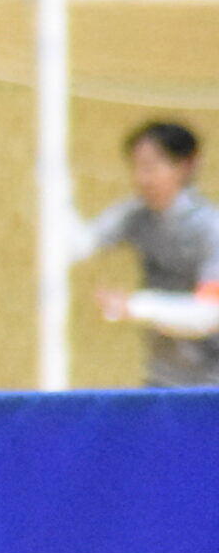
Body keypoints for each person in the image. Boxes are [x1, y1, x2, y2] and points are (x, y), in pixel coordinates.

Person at [76, 121, 219, 386]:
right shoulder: (136, 215)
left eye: (151, 167)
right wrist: (57, 191)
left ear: (185, 165)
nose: (142, 178)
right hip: (162, 378)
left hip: (210, 382)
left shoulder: (210, 228)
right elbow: (79, 245)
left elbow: (210, 313)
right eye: (137, 167)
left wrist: (137, 306)